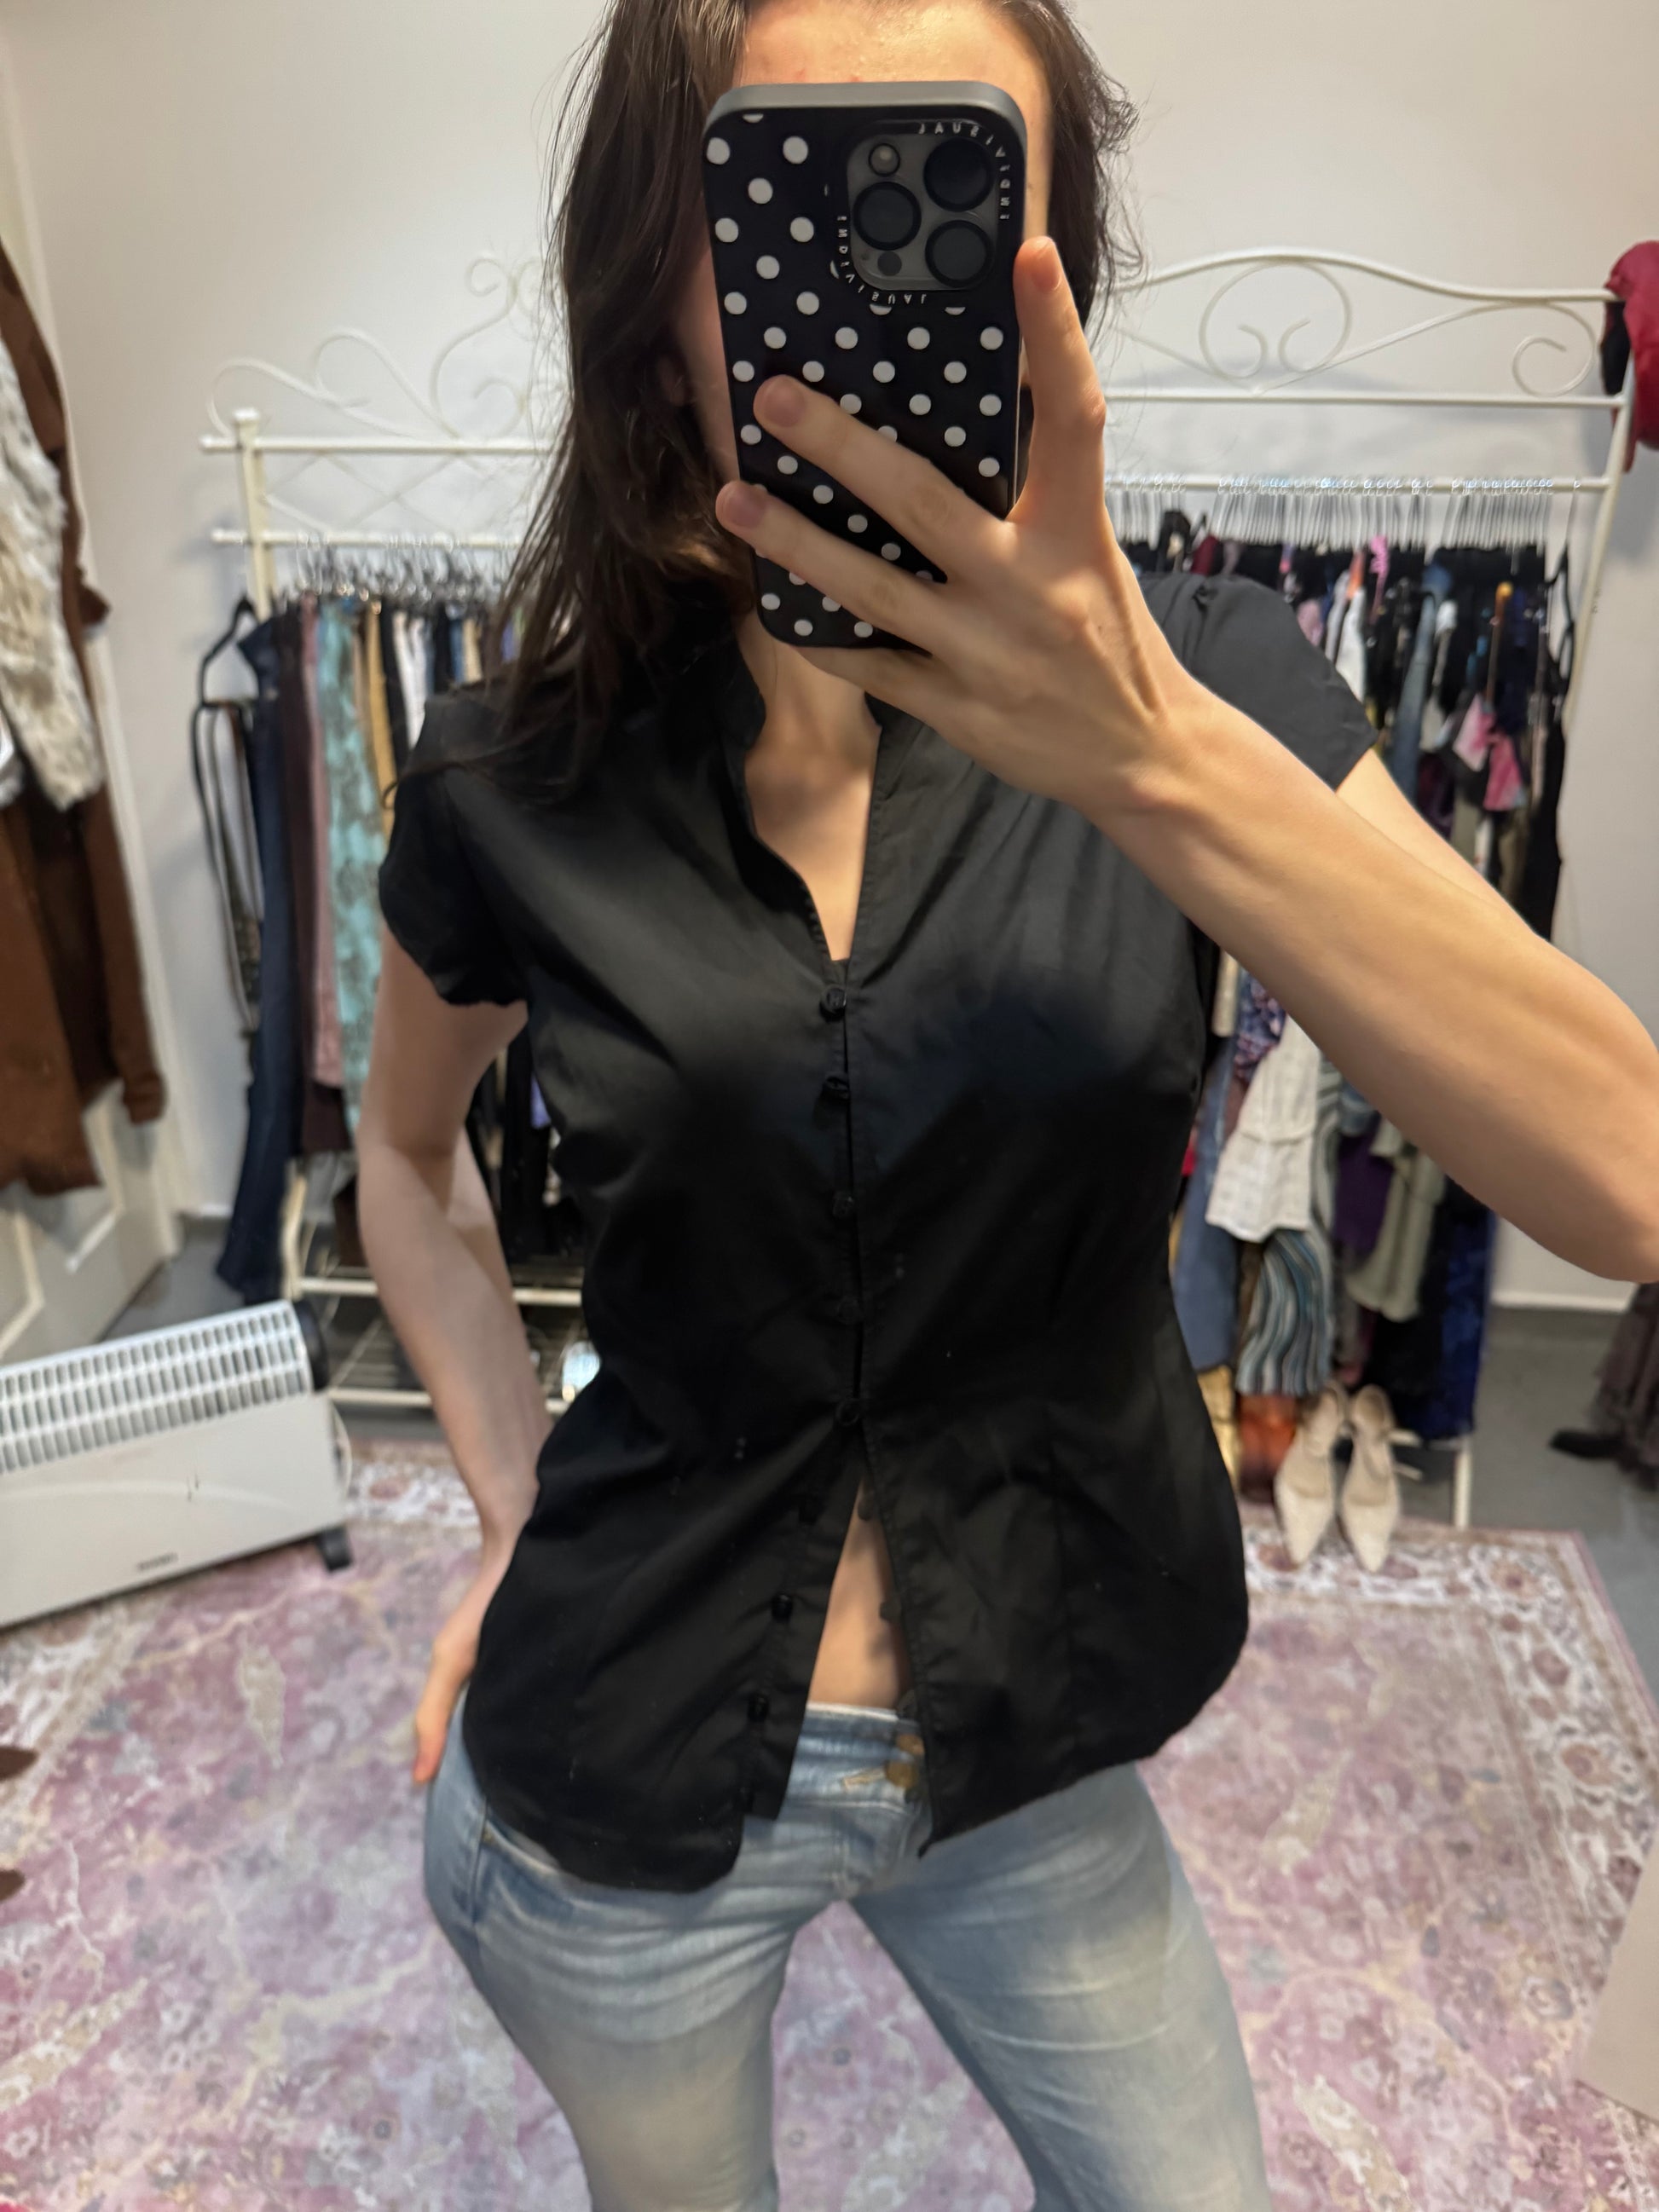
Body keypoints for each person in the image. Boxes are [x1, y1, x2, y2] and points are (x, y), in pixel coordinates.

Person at [357, 0, 1659, 2203]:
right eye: (790, 209)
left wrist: (1147, 758)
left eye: (957, 203)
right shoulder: (514, 772)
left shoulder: (1213, 690)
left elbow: (1628, 1174)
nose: (878, 301)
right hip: (624, 1740)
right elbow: (402, 1158)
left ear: (1053, 285)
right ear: (655, 294)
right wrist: (500, 1509)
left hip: (1027, 1727)